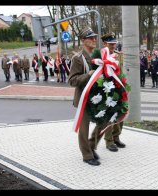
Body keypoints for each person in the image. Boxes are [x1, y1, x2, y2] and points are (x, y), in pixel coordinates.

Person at [68, 26, 112, 166]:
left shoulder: (99, 56)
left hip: (98, 97)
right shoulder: (78, 59)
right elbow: (72, 80)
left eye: (94, 37)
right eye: (90, 38)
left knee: (104, 122)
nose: (94, 40)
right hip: (84, 98)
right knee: (84, 128)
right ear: (83, 40)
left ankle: (91, 146)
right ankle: (87, 155)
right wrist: (88, 75)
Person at [101, 32, 126, 152]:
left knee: (120, 113)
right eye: (111, 44)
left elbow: (121, 71)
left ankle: (116, 137)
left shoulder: (118, 55)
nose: (113, 46)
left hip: (119, 87)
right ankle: (109, 141)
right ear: (105, 44)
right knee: (109, 117)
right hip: (107, 89)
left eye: (114, 44)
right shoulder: (101, 56)